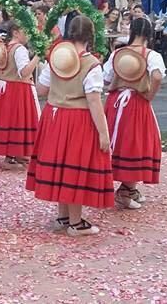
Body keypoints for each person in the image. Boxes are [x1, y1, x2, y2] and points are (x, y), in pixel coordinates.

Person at [27, 15, 112, 236]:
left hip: (54, 116)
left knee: (61, 166)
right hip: (78, 119)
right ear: (90, 36)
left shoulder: (56, 57)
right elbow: (93, 100)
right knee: (74, 167)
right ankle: (75, 222)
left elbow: (41, 89)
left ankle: (64, 217)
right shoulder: (91, 64)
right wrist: (104, 134)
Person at [102, 18, 164, 209]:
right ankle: (126, 190)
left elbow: (105, 78)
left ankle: (128, 188)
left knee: (117, 141)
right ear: (149, 34)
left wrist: (115, 85)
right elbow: (157, 76)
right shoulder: (151, 55)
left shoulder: (118, 53)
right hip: (136, 103)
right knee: (135, 143)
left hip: (115, 102)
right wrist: (149, 95)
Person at [0, 20, 41, 167]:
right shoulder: (19, 49)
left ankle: (12, 155)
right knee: (18, 120)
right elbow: (24, 72)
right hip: (18, 89)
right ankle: (15, 154)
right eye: (25, 31)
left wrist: (0, 75)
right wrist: (38, 57)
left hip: (4, 87)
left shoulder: (5, 47)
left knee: (9, 120)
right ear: (15, 32)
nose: (28, 35)